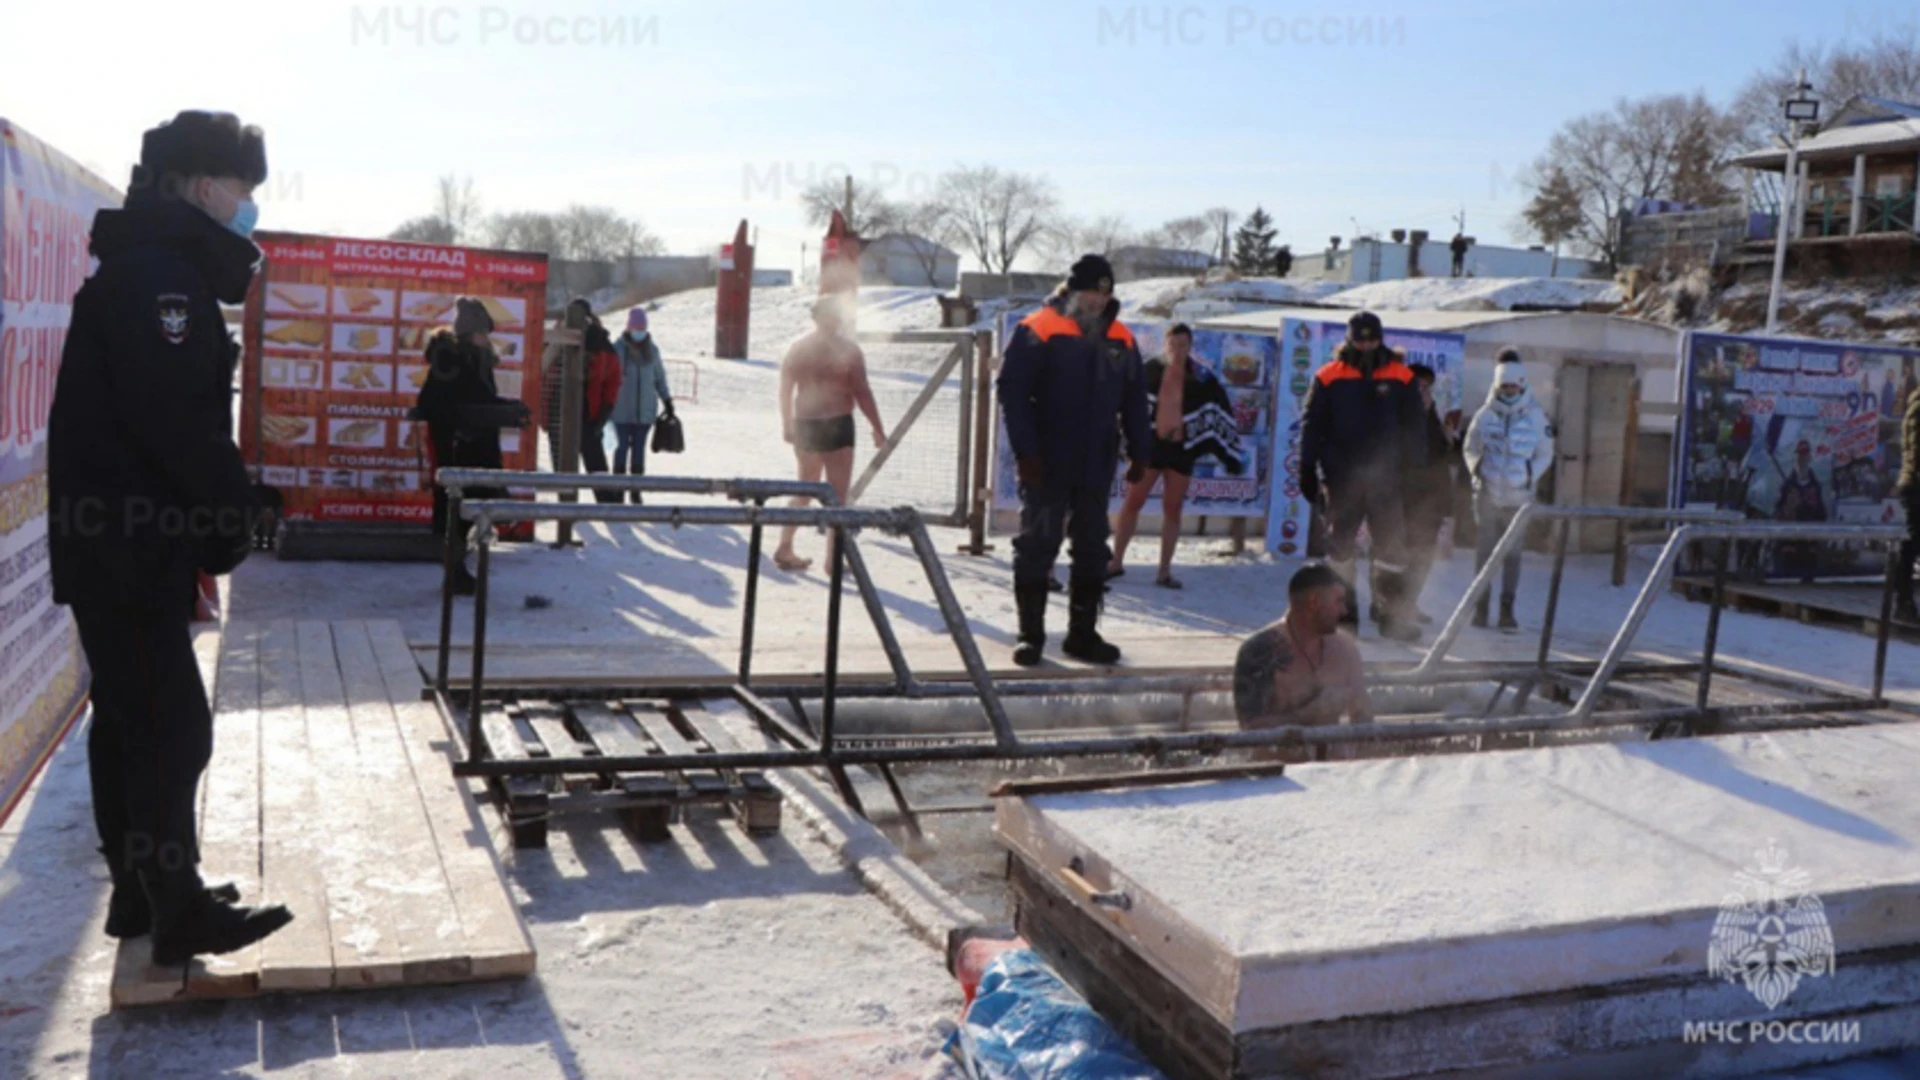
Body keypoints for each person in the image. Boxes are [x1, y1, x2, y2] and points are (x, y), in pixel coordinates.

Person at [47, 110, 292, 965]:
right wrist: (238, 508)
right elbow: (179, 426)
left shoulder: (151, 268)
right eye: (243, 191)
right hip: (126, 545)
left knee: (128, 720)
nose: (247, 208)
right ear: (201, 187)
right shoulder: (162, 280)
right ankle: (176, 907)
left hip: (114, 541)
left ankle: (140, 892)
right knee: (172, 727)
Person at [998, 254, 1151, 666]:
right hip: (1047, 459)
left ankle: (1082, 636)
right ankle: (1030, 636)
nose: (1098, 302)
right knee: (1038, 543)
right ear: (1072, 289)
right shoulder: (1038, 328)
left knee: (1091, 547)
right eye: (1090, 293)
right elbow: (1013, 396)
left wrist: (1140, 449)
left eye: (1105, 294)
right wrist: (1026, 451)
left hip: (1096, 461)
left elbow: (1135, 399)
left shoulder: (1122, 337)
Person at [1298, 310, 1427, 643]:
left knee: (1391, 551)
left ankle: (1391, 616)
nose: (1366, 345)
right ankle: (1343, 619)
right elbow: (1312, 426)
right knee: (1340, 550)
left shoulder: (1400, 375)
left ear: (1381, 338)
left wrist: (1415, 473)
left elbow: (1415, 428)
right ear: (1348, 339)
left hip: (1388, 479)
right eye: (1360, 339)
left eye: (1372, 339)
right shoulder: (1328, 375)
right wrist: (1306, 467)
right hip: (1342, 478)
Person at [1108, 323, 1244, 587]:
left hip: (1182, 449)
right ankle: (1115, 562)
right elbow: (1126, 405)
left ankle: (1164, 571)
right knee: (1133, 502)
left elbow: (1219, 409)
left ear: (1190, 346)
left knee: (1173, 508)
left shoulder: (1202, 377)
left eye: (1183, 345)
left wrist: (1230, 455)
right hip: (1151, 447)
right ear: (1165, 344)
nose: (1178, 350)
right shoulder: (1149, 371)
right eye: (1173, 345)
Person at [772, 295, 885, 572]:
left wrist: (788, 424)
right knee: (836, 495)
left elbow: (786, 391)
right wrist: (877, 427)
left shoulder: (800, 349)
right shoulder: (845, 350)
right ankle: (829, 559)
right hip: (832, 423)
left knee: (807, 488)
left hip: (810, 422)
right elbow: (862, 391)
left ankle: (789, 547)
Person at [417, 298, 522, 594]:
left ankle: (458, 570)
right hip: (457, 446)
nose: (486, 338)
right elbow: (435, 404)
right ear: (470, 334)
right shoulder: (452, 361)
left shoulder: (474, 359)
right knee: (458, 508)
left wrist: (506, 410)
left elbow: (481, 401)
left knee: (470, 507)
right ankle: (455, 572)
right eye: (482, 333)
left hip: (476, 444)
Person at [1232, 563, 1372, 753]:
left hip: (1334, 771)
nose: (1344, 611)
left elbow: (1364, 720)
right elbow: (1250, 731)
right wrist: (1307, 715)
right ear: (1314, 601)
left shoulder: (1345, 648)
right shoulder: (1261, 650)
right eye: (1338, 601)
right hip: (1277, 773)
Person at [1462, 349, 1556, 630]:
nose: (1509, 390)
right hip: (1488, 497)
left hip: (1519, 499)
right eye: (1504, 386)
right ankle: (1481, 609)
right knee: (1484, 554)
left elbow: (1545, 453)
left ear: (1523, 384)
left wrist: (1528, 475)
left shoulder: (1536, 417)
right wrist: (1476, 471)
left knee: (1512, 555)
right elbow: (1470, 447)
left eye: (1513, 385)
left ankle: (1507, 609)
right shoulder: (1484, 415)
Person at [539, 299, 622, 502]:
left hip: (589, 413)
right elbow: (540, 371)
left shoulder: (600, 343)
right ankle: (566, 501)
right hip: (556, 411)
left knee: (594, 461)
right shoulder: (554, 341)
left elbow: (613, 379)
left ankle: (607, 501)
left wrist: (604, 412)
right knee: (560, 462)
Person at [1403, 363, 1458, 624]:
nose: (1423, 392)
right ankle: (1388, 604)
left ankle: (1409, 603)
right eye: (1417, 386)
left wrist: (1449, 438)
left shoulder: (1433, 415)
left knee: (1422, 555)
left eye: (1427, 387)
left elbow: (1441, 459)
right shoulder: (1397, 417)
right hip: (1404, 499)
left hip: (1431, 500)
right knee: (1397, 554)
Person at [610, 306, 673, 503]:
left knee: (639, 451)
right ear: (629, 328)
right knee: (621, 449)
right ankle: (618, 490)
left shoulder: (652, 351)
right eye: (636, 327)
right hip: (621, 411)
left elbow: (659, 378)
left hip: (644, 412)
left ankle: (636, 490)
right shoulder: (618, 349)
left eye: (642, 327)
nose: (640, 331)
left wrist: (667, 400)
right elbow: (609, 378)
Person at [1775, 438, 1828, 582]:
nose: (1802, 457)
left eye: (1805, 453)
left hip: (1809, 546)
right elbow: (1778, 513)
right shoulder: (1787, 486)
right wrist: (1789, 508)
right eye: (1799, 453)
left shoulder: (1816, 486)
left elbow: (1822, 515)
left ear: (1809, 457)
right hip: (1790, 545)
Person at [1895, 388, 1919, 623]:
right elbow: (1916, 450)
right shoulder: (1917, 408)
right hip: (1916, 485)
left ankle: (1904, 600)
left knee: (1912, 545)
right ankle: (1902, 600)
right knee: (1912, 545)